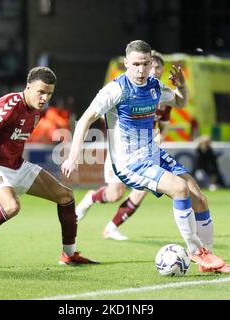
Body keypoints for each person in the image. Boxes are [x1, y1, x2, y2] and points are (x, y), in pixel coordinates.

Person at [62, 40, 230, 273]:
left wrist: (182, 86)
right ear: (126, 63)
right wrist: (73, 156)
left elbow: (180, 102)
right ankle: (197, 252)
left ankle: (209, 260)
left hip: (153, 154)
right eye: (136, 64)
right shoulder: (116, 90)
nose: (141, 70)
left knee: (200, 199)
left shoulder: (154, 86)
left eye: (145, 64)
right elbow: (86, 119)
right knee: (179, 189)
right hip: (130, 162)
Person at [0, 67, 98, 269]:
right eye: (41, 92)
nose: (45, 98)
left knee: (66, 197)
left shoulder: (37, 109)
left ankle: (69, 254)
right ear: (28, 87)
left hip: (16, 164)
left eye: (49, 94)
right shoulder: (9, 106)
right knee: (11, 207)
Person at [75, 50, 169, 241]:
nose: (152, 70)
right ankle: (91, 198)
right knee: (114, 194)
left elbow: (163, 124)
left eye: (156, 66)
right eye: (141, 64)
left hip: (146, 152)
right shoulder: (123, 88)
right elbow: (99, 113)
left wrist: (158, 139)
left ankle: (111, 227)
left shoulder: (161, 93)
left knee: (143, 190)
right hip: (122, 152)